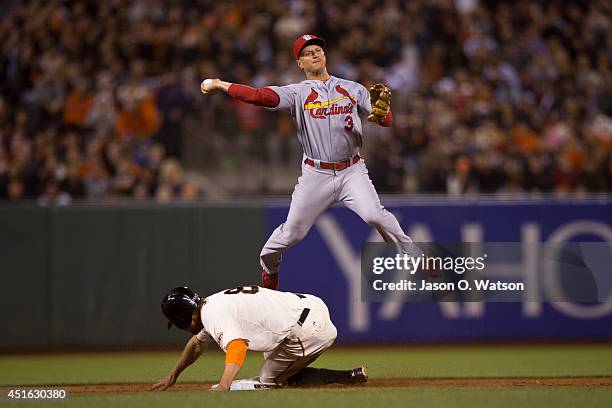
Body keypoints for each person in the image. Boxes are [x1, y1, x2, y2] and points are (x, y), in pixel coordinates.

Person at [200, 34, 419, 290]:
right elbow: (259, 96)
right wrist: (220, 84)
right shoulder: (297, 93)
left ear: (325, 56)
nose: (314, 54)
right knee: (292, 233)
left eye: (318, 50)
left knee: (375, 216)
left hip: (352, 171)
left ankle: (415, 255)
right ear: (300, 63)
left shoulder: (353, 89)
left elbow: (386, 119)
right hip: (317, 174)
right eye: (307, 52)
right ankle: (269, 267)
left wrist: (383, 116)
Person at [151, 286, 367, 391]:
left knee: (269, 380)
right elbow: (198, 343)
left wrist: (225, 384)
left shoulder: (211, 315)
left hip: (308, 332)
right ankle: (353, 375)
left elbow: (237, 346)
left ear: (181, 319)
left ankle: (347, 377)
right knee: (276, 364)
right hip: (311, 306)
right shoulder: (213, 303)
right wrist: (174, 375)